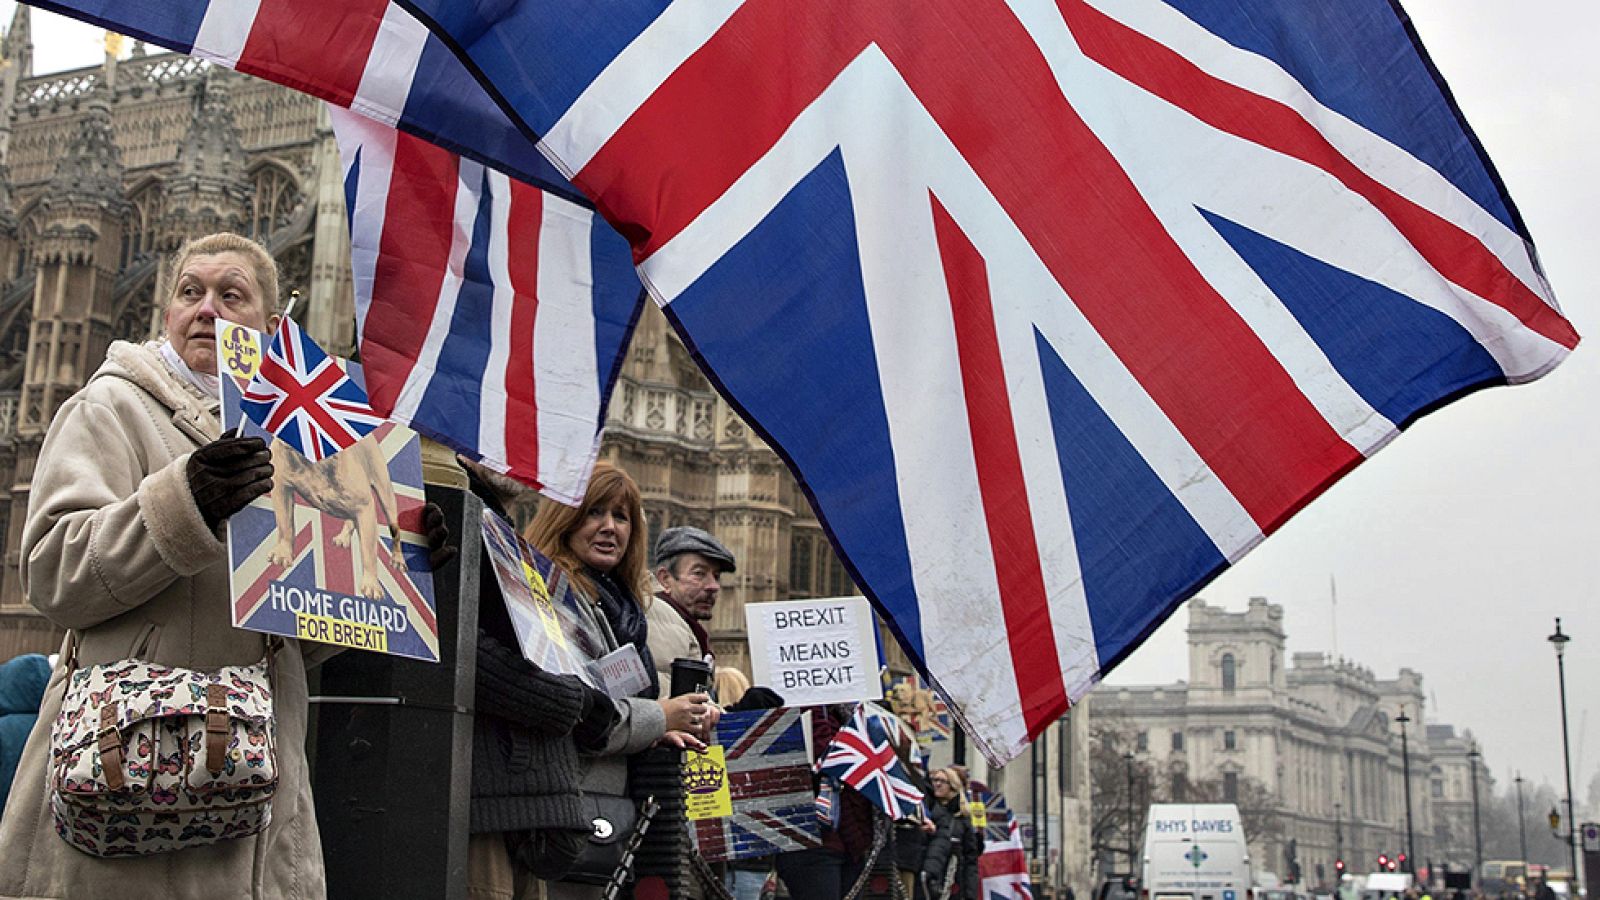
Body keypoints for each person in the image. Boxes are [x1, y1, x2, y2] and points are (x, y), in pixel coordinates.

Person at [0, 232, 449, 899]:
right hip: (124, 786)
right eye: (190, 292)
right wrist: (186, 502)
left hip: (251, 801)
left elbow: (298, 638)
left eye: (229, 294)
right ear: (167, 312)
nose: (206, 308)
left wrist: (389, 563)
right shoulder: (111, 408)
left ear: (271, 328)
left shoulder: (304, 441)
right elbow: (54, 574)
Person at [525, 461, 712, 900]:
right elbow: (579, 706)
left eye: (622, 516)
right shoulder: (551, 594)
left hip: (615, 812)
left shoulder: (621, 607)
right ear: (565, 519)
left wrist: (668, 725)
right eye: (594, 512)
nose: (609, 527)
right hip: (567, 810)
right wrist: (661, 717)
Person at [460, 458, 621, 900]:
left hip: (534, 808)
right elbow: (458, 648)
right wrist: (573, 701)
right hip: (485, 808)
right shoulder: (450, 513)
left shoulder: (514, 545)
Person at [646, 525, 736, 694]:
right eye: (699, 574)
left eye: (716, 576)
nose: (713, 586)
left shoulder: (686, 629)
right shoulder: (657, 626)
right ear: (665, 579)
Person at [923, 767, 984, 900]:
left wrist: (970, 894)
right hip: (927, 880)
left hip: (953, 882)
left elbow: (970, 860)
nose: (937, 784)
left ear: (953, 786)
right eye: (934, 780)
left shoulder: (962, 820)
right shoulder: (926, 811)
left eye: (942, 781)